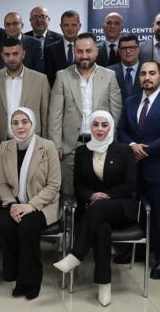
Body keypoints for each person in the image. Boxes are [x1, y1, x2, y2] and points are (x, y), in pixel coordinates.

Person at [53, 111, 136, 306]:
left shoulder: (124, 151)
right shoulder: (82, 152)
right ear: (90, 127)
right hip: (93, 209)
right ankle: (104, 284)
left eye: (104, 125)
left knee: (99, 209)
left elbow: (130, 184)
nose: (99, 129)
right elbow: (79, 185)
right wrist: (91, 195)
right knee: (102, 229)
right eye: (95, 124)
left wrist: (105, 196)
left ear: (110, 128)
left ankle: (76, 255)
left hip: (119, 207)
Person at [117, 61, 160, 280]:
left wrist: (143, 150)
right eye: (143, 73)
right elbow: (121, 130)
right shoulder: (130, 102)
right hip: (132, 169)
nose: (147, 77)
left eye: (152, 73)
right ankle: (133, 251)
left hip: (158, 169)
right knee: (132, 212)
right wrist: (131, 146)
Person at [0, 107, 61, 300]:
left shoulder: (47, 146)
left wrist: (31, 206)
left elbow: (54, 184)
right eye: (15, 123)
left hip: (42, 204)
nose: (20, 126)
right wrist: (12, 204)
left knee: (27, 227)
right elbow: (1, 183)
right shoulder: (4, 147)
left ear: (33, 124)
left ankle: (31, 281)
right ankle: (16, 277)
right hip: (14, 203)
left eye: (24, 122)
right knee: (4, 224)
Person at [48, 33, 122, 199]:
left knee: (98, 193)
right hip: (70, 146)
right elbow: (55, 113)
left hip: (101, 145)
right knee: (68, 193)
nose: (84, 55)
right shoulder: (62, 76)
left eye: (88, 51)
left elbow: (115, 111)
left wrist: (110, 139)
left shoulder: (109, 75)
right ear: (74, 52)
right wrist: (56, 144)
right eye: (80, 51)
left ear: (96, 51)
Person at [0, 38, 50, 164]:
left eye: (15, 54)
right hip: (1, 142)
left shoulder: (40, 80)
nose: (11, 58)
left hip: (33, 142)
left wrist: (45, 143)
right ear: (2, 56)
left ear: (23, 54)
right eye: (7, 55)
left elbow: (46, 115)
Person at [43, 10, 82, 86]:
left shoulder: (87, 50)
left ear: (79, 26)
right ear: (61, 26)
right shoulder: (50, 50)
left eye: (74, 25)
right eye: (66, 25)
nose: (70, 28)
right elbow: (49, 78)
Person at [107, 33, 142, 102]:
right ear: (119, 51)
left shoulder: (147, 70)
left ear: (138, 49)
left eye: (131, 48)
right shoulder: (108, 72)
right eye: (124, 48)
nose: (128, 51)